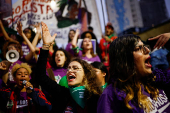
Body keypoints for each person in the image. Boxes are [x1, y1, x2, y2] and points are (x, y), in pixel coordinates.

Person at [35, 22, 101, 113]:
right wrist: (46, 45)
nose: (70, 71)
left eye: (75, 68)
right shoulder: (62, 93)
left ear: (85, 74)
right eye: (68, 68)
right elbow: (40, 76)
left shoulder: (95, 97)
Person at [97, 34, 170, 113]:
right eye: (139, 48)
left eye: (145, 46)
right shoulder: (110, 96)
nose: (148, 51)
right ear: (124, 59)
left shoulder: (156, 78)